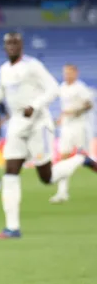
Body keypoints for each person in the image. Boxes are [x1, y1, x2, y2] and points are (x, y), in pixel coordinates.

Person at [0, 33, 97, 240]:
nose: (12, 46)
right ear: (4, 47)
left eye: (16, 43)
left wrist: (35, 105)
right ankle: (12, 228)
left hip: (38, 124)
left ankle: (80, 158)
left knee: (46, 177)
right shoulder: (4, 69)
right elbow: (2, 92)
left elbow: (53, 89)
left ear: (21, 46)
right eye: (8, 43)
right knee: (10, 173)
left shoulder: (33, 65)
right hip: (16, 125)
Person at [50, 64, 93, 203]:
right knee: (64, 157)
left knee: (84, 157)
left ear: (76, 73)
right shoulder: (62, 87)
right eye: (65, 73)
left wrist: (75, 111)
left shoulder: (80, 87)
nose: (67, 75)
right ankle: (62, 192)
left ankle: (83, 159)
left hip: (80, 125)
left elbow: (89, 105)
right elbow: (63, 109)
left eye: (69, 72)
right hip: (66, 127)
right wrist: (60, 119)